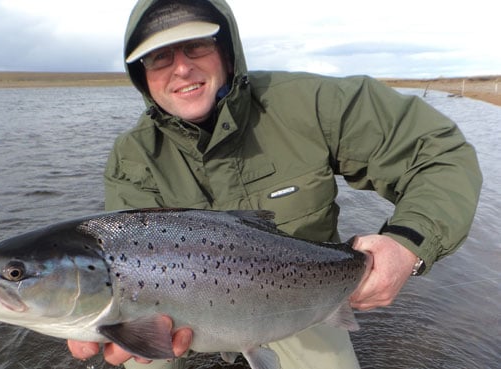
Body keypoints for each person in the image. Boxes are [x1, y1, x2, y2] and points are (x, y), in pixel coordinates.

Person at [68, 0, 482, 368]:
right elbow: (120, 259)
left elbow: (439, 153)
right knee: (135, 348)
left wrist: (407, 245)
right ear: (142, 76)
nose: (181, 68)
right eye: (158, 57)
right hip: (169, 308)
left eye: (196, 46)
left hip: (302, 296)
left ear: (227, 52)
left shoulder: (311, 104)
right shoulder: (132, 156)